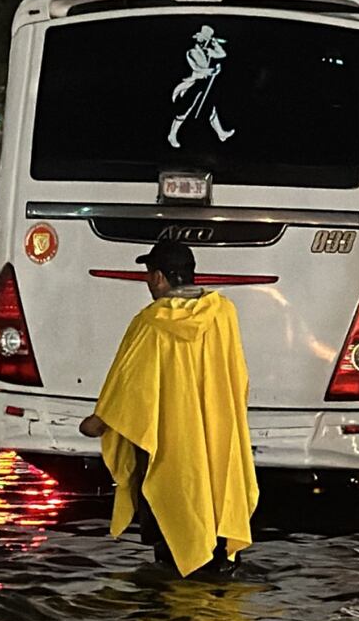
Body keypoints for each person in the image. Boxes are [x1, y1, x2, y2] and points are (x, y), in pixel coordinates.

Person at [78, 241, 257, 577]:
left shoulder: (150, 322)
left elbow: (128, 386)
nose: (148, 283)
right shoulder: (223, 313)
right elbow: (238, 376)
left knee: (173, 538)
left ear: (159, 277)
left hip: (170, 448)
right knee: (218, 523)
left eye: (148, 275)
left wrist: (98, 422)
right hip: (218, 442)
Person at [169, 25, 236, 149]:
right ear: (198, 38)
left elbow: (222, 55)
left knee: (211, 108)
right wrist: (211, 71)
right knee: (185, 109)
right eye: (203, 38)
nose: (204, 41)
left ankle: (221, 133)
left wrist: (216, 44)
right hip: (194, 82)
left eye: (206, 39)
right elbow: (196, 68)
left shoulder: (207, 51)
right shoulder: (191, 51)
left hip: (205, 83)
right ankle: (172, 134)